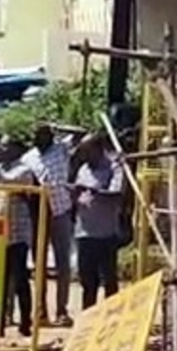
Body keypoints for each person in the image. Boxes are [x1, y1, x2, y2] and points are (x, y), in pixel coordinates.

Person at [0, 135, 36, 339]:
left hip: (17, 232)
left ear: (16, 149)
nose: (1, 149)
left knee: (20, 278)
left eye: (5, 146)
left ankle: (25, 322)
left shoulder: (23, 170)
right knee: (0, 280)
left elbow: (11, 182)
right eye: (0, 146)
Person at [23, 124, 74, 326]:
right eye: (36, 134)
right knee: (39, 265)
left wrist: (57, 126)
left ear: (51, 136)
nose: (39, 138)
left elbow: (85, 134)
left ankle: (62, 311)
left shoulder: (62, 149)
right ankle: (40, 312)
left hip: (61, 211)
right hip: (38, 215)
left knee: (63, 265)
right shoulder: (28, 159)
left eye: (44, 134)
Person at [71, 131, 128, 308]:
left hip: (105, 235)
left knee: (109, 281)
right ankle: (88, 322)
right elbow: (83, 199)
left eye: (88, 151)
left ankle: (111, 321)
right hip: (84, 233)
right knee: (88, 282)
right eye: (83, 152)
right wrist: (75, 194)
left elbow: (117, 195)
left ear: (99, 149)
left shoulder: (114, 168)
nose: (85, 156)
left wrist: (93, 191)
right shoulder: (83, 169)